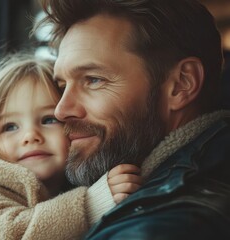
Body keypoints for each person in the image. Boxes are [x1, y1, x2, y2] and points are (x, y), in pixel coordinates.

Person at [35, 0, 230, 239]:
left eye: (93, 80)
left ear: (181, 85)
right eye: (62, 85)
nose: (61, 111)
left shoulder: (159, 228)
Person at [0, 54, 143, 240]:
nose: (31, 136)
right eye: (10, 127)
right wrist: (90, 205)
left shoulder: (81, 177)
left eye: (49, 120)